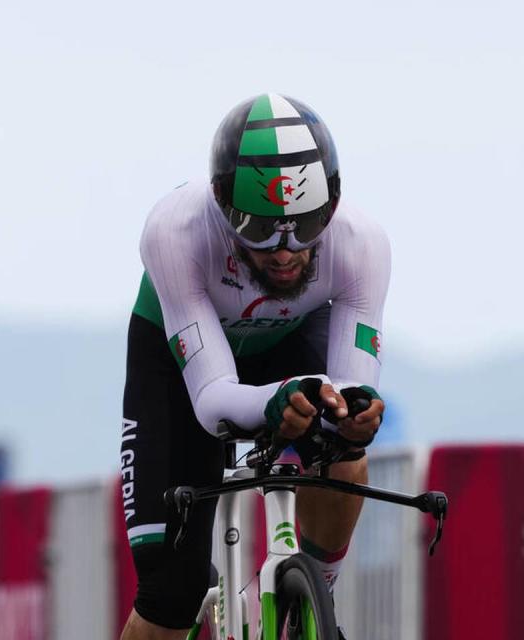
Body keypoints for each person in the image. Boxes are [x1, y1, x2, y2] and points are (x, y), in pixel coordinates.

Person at [119, 94, 390, 640]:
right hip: (181, 362)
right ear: (222, 205)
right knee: (171, 593)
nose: (285, 252)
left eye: (306, 228)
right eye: (259, 230)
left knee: (345, 453)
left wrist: (354, 412)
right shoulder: (175, 231)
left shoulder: (362, 244)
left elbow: (352, 383)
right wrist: (274, 400)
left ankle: (316, 609)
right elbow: (214, 399)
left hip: (291, 339)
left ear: (331, 208)